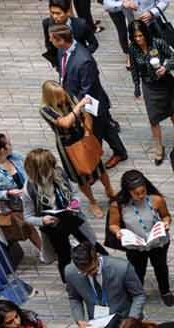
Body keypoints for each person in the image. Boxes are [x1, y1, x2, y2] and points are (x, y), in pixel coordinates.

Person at [49, 24, 129, 169]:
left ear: (60, 40)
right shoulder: (62, 50)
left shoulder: (84, 60)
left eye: (51, 38)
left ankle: (94, 165)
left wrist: (81, 110)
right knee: (106, 128)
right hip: (75, 97)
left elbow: (88, 90)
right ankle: (120, 152)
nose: (49, 41)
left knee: (94, 132)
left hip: (91, 103)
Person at [38, 80, 115, 218]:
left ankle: (110, 191)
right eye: (58, 96)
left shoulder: (70, 97)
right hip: (68, 146)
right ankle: (92, 201)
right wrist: (79, 105)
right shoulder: (46, 110)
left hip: (84, 137)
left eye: (62, 93)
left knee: (99, 167)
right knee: (81, 176)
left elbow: (86, 115)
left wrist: (87, 132)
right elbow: (65, 123)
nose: (63, 97)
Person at [22, 148, 101, 282]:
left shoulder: (61, 175)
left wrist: (75, 202)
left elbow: (75, 192)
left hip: (73, 218)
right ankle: (70, 281)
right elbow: (28, 217)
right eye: (47, 168)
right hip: (53, 228)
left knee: (90, 244)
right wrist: (42, 220)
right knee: (63, 255)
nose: (52, 171)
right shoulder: (29, 190)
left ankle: (97, 268)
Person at [108, 170, 174, 306]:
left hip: (157, 242)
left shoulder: (156, 200)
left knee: (161, 267)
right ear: (128, 192)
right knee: (138, 270)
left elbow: (166, 216)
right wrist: (118, 232)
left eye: (143, 192)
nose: (140, 196)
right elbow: (113, 224)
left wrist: (166, 223)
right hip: (135, 245)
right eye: (136, 193)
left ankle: (165, 291)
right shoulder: (118, 205)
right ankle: (138, 293)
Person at [0, 133, 46, 264]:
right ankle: (43, 250)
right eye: (8, 144)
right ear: (1, 150)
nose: (11, 145)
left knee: (44, 220)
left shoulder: (16, 157)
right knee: (30, 227)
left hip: (32, 196)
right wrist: (9, 193)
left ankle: (49, 246)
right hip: (14, 205)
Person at [127, 19, 174, 166]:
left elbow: (172, 57)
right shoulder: (133, 48)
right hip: (149, 86)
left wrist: (166, 67)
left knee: (172, 111)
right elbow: (134, 68)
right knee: (153, 117)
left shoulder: (158, 43)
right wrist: (136, 86)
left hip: (164, 83)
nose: (139, 39)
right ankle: (158, 146)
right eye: (135, 36)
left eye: (140, 35)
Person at [66, 244, 147, 328]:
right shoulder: (70, 272)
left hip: (123, 320)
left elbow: (139, 295)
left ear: (97, 256)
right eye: (84, 272)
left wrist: (131, 319)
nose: (89, 274)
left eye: (92, 269)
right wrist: (80, 320)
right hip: (96, 323)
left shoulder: (122, 268)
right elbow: (74, 298)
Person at [105, 0, 170, 62]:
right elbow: (107, 4)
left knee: (155, 57)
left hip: (153, 27)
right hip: (134, 29)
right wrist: (122, 4)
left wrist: (152, 13)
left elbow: (164, 1)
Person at [43, 0, 99, 70]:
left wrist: (82, 54)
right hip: (62, 65)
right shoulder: (47, 23)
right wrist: (57, 63)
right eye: (52, 13)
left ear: (68, 12)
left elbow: (94, 43)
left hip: (81, 65)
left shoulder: (81, 24)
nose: (55, 16)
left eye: (58, 13)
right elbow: (49, 45)